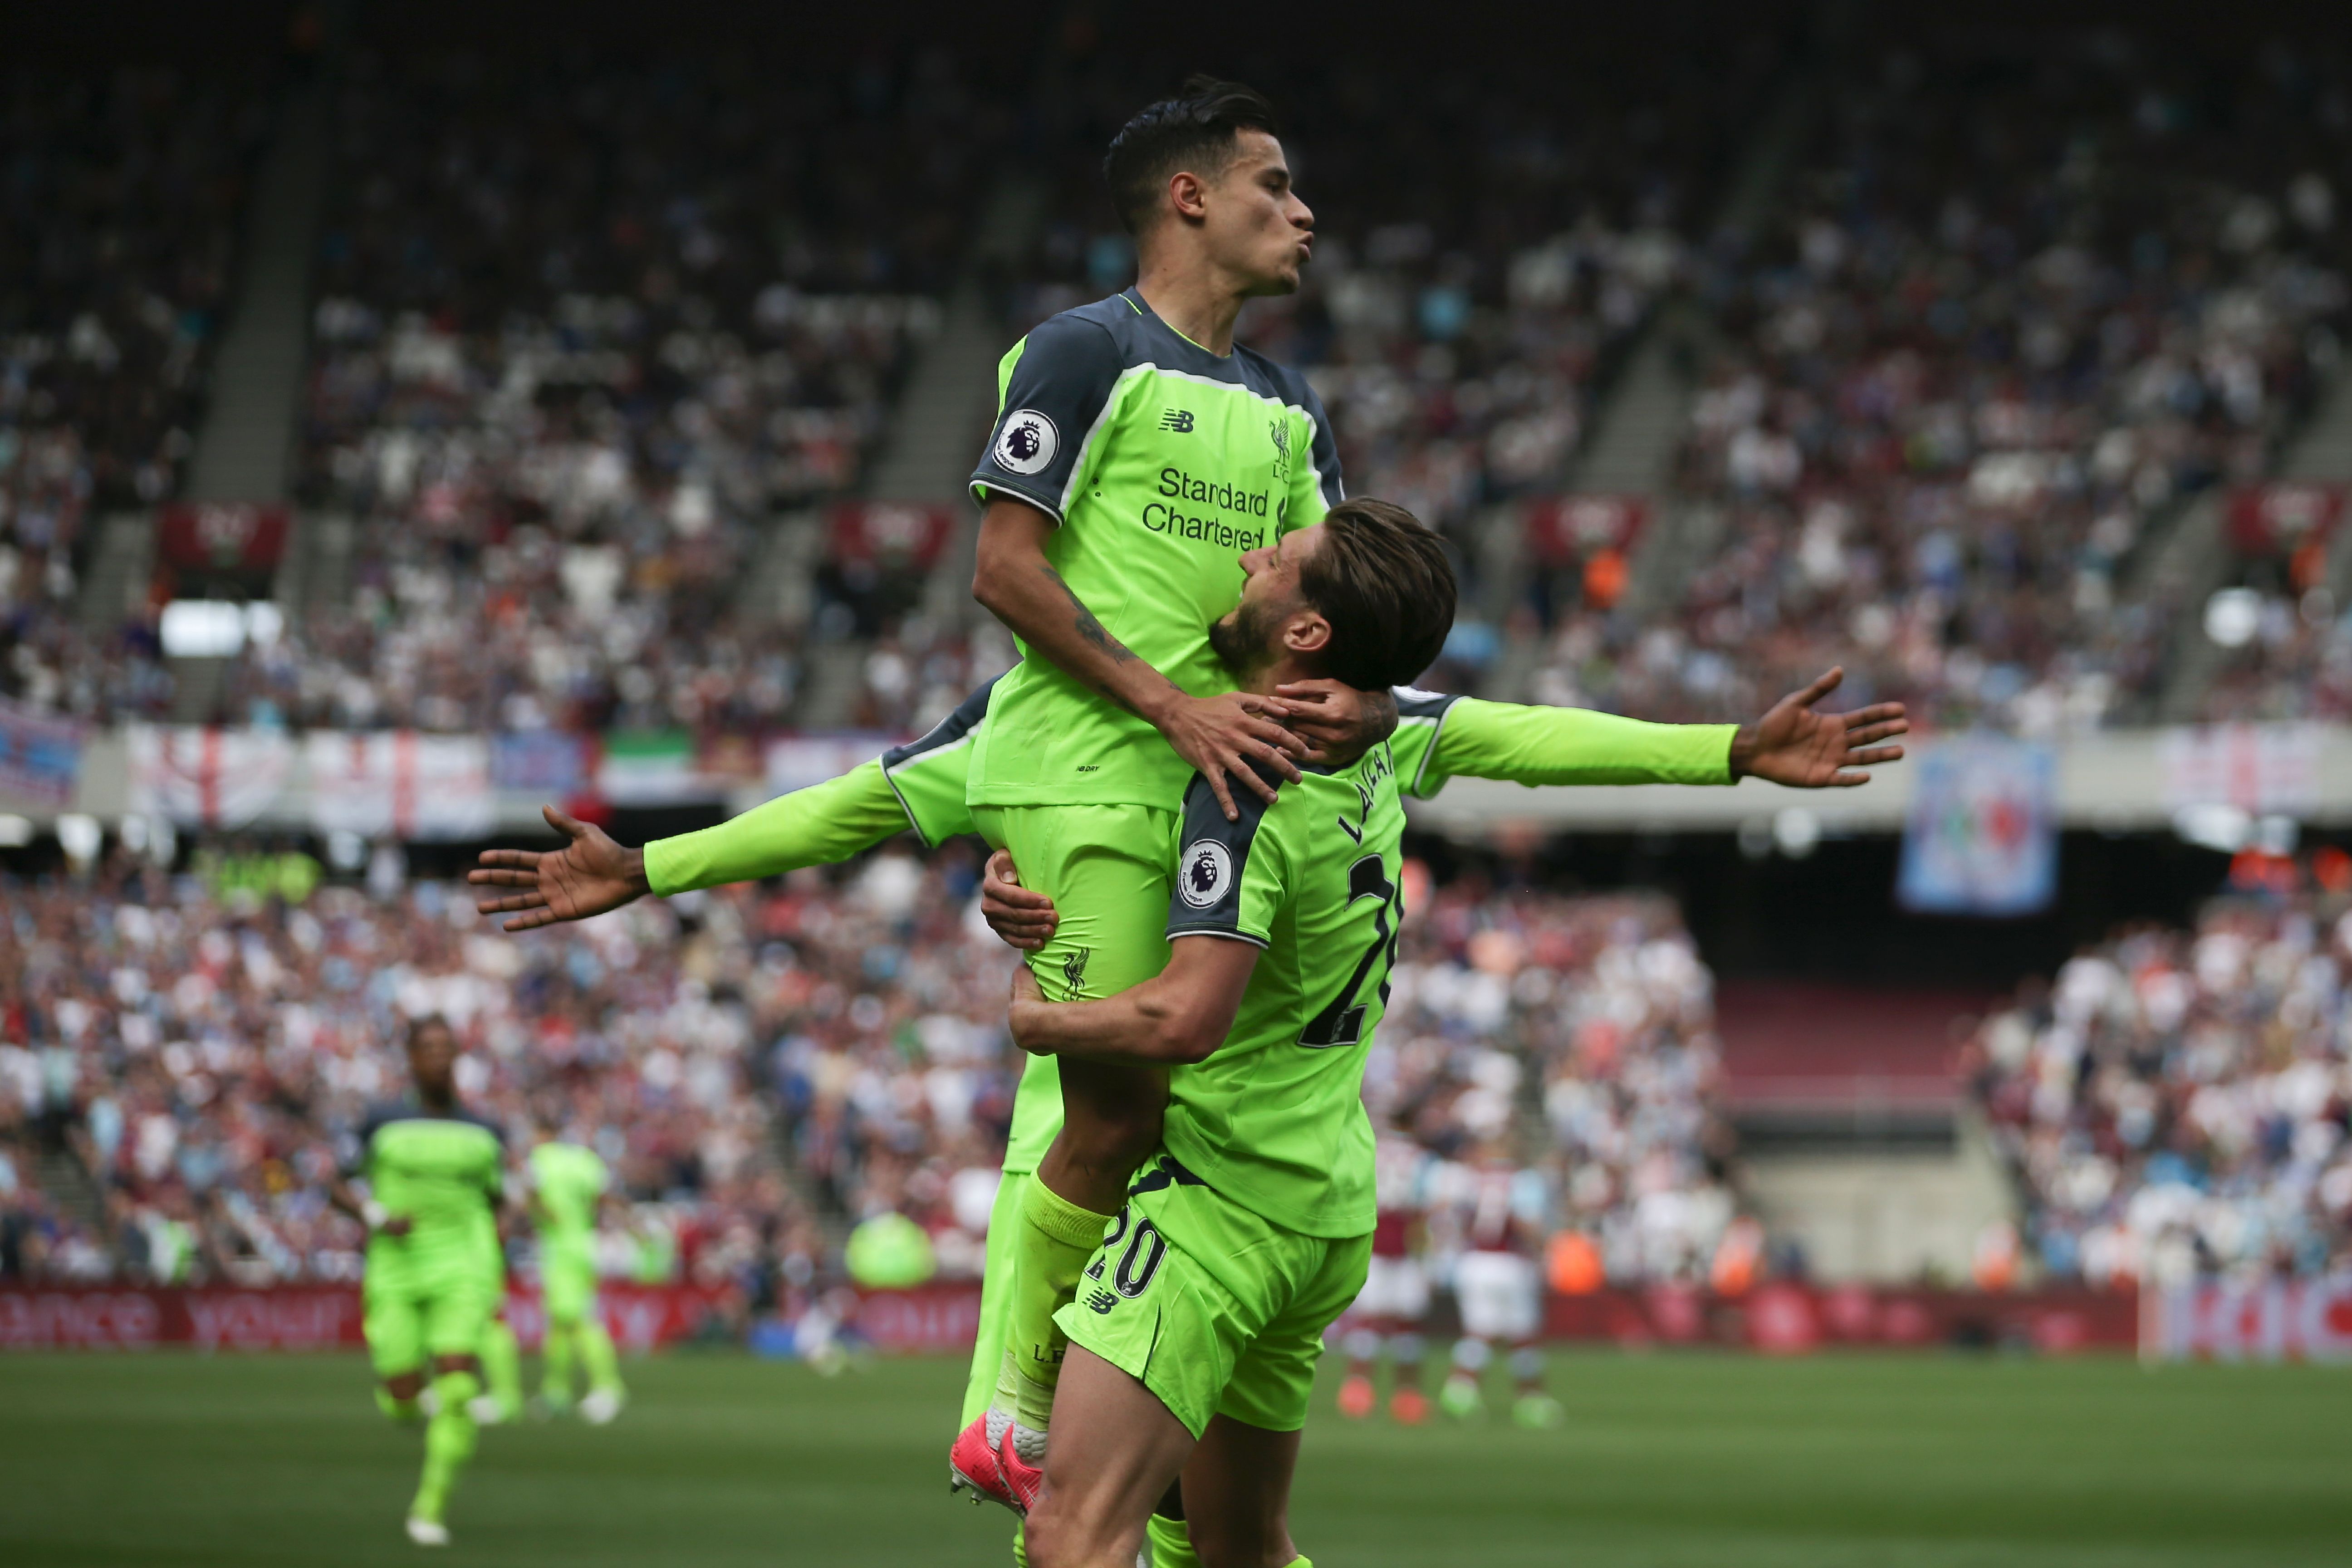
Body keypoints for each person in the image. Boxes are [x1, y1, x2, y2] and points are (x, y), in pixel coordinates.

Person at [990, 498, 1454, 1568]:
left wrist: (1037, 1017)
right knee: (1235, 1544)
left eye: (1278, 557)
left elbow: (1185, 1015)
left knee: (1072, 1533)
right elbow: (1496, 726)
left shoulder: (1248, 781)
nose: (1250, 554)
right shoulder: (1372, 745)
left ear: (1303, 632)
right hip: (1323, 1201)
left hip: (1220, 1206)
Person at [328, 1016, 510, 1548]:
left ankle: (429, 1509)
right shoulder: (380, 1122)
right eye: (428, 1049)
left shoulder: (485, 1130)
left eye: (447, 1048)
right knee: (401, 1396)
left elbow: (499, 1199)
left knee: (457, 1386)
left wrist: (498, 1238)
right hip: (396, 1268)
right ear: (410, 1058)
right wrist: (378, 1217)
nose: (439, 1057)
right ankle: (412, 1403)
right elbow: (337, 1185)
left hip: (462, 1266)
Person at [1439, 1144, 1558, 1428]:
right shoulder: (1524, 1181)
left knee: (1479, 1333)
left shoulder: (1469, 1179)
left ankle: (1460, 1391)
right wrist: (1542, 1249)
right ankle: (1531, 1400)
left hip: (1473, 1261)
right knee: (1523, 1336)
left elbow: (1452, 1219)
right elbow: (1528, 1224)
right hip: (1508, 1264)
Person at [1336, 1121, 1436, 1424]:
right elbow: (1424, 1211)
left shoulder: (1368, 1148)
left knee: (1368, 1322)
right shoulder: (1423, 1159)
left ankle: (1357, 1391)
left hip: (1373, 1244)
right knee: (1407, 1325)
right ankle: (1407, 1395)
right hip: (1405, 1248)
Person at [526, 1125, 627, 1424]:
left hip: (559, 1248)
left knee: (577, 1320)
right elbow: (603, 1197)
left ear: (544, 1134)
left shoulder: (541, 1159)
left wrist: (546, 1216)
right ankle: (556, 1391)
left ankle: (608, 1387)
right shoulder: (586, 1160)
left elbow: (533, 1197)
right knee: (560, 1324)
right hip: (583, 1243)